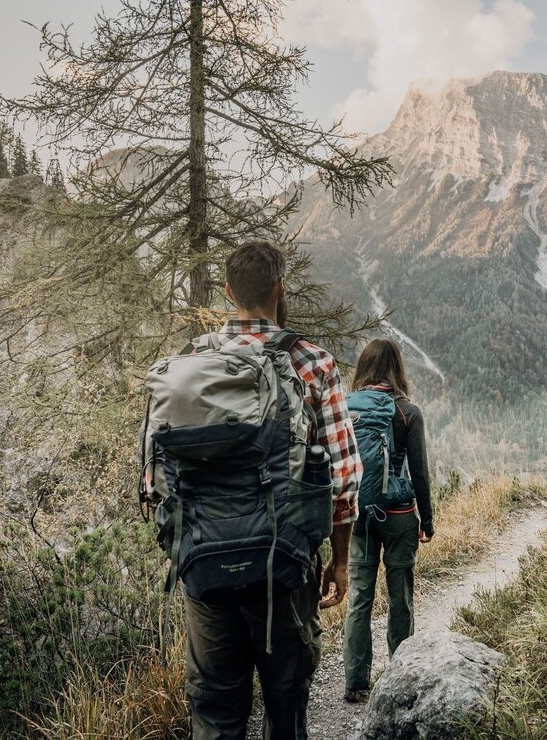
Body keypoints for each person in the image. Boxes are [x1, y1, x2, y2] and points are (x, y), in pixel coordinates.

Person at [183, 241, 361, 740]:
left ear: (227, 291)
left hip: (206, 566)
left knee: (216, 713)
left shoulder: (190, 360)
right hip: (283, 565)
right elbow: (344, 478)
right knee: (286, 704)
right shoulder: (311, 362)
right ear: (281, 288)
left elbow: (157, 479)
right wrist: (340, 559)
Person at [342, 338, 435, 703]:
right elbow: (420, 473)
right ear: (398, 368)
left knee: (360, 599)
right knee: (400, 596)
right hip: (398, 516)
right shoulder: (408, 412)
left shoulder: (347, 409)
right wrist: (427, 520)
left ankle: (355, 683)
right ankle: (400, 676)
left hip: (358, 516)